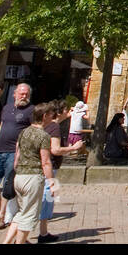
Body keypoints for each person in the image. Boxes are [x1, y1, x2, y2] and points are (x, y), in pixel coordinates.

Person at [0, 83, 33, 230]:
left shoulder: (31, 111)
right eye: (21, 93)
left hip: (14, 153)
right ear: (14, 94)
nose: (24, 96)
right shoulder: (7, 108)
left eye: (27, 94)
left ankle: (1, 216)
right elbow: (1, 127)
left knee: (8, 186)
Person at [4, 102, 54, 245]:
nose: (52, 117)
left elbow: (16, 156)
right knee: (29, 216)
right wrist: (52, 183)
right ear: (44, 116)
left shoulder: (23, 132)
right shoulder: (43, 136)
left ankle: (6, 242)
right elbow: (45, 162)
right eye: (50, 114)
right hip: (33, 177)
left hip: (19, 176)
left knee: (21, 213)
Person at [38, 101, 85, 242]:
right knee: (48, 200)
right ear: (60, 112)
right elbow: (55, 150)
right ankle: (41, 234)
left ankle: (43, 232)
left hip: (45, 167)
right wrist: (74, 147)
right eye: (66, 110)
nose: (68, 113)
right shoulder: (55, 127)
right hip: (50, 168)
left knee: (45, 200)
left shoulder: (47, 125)